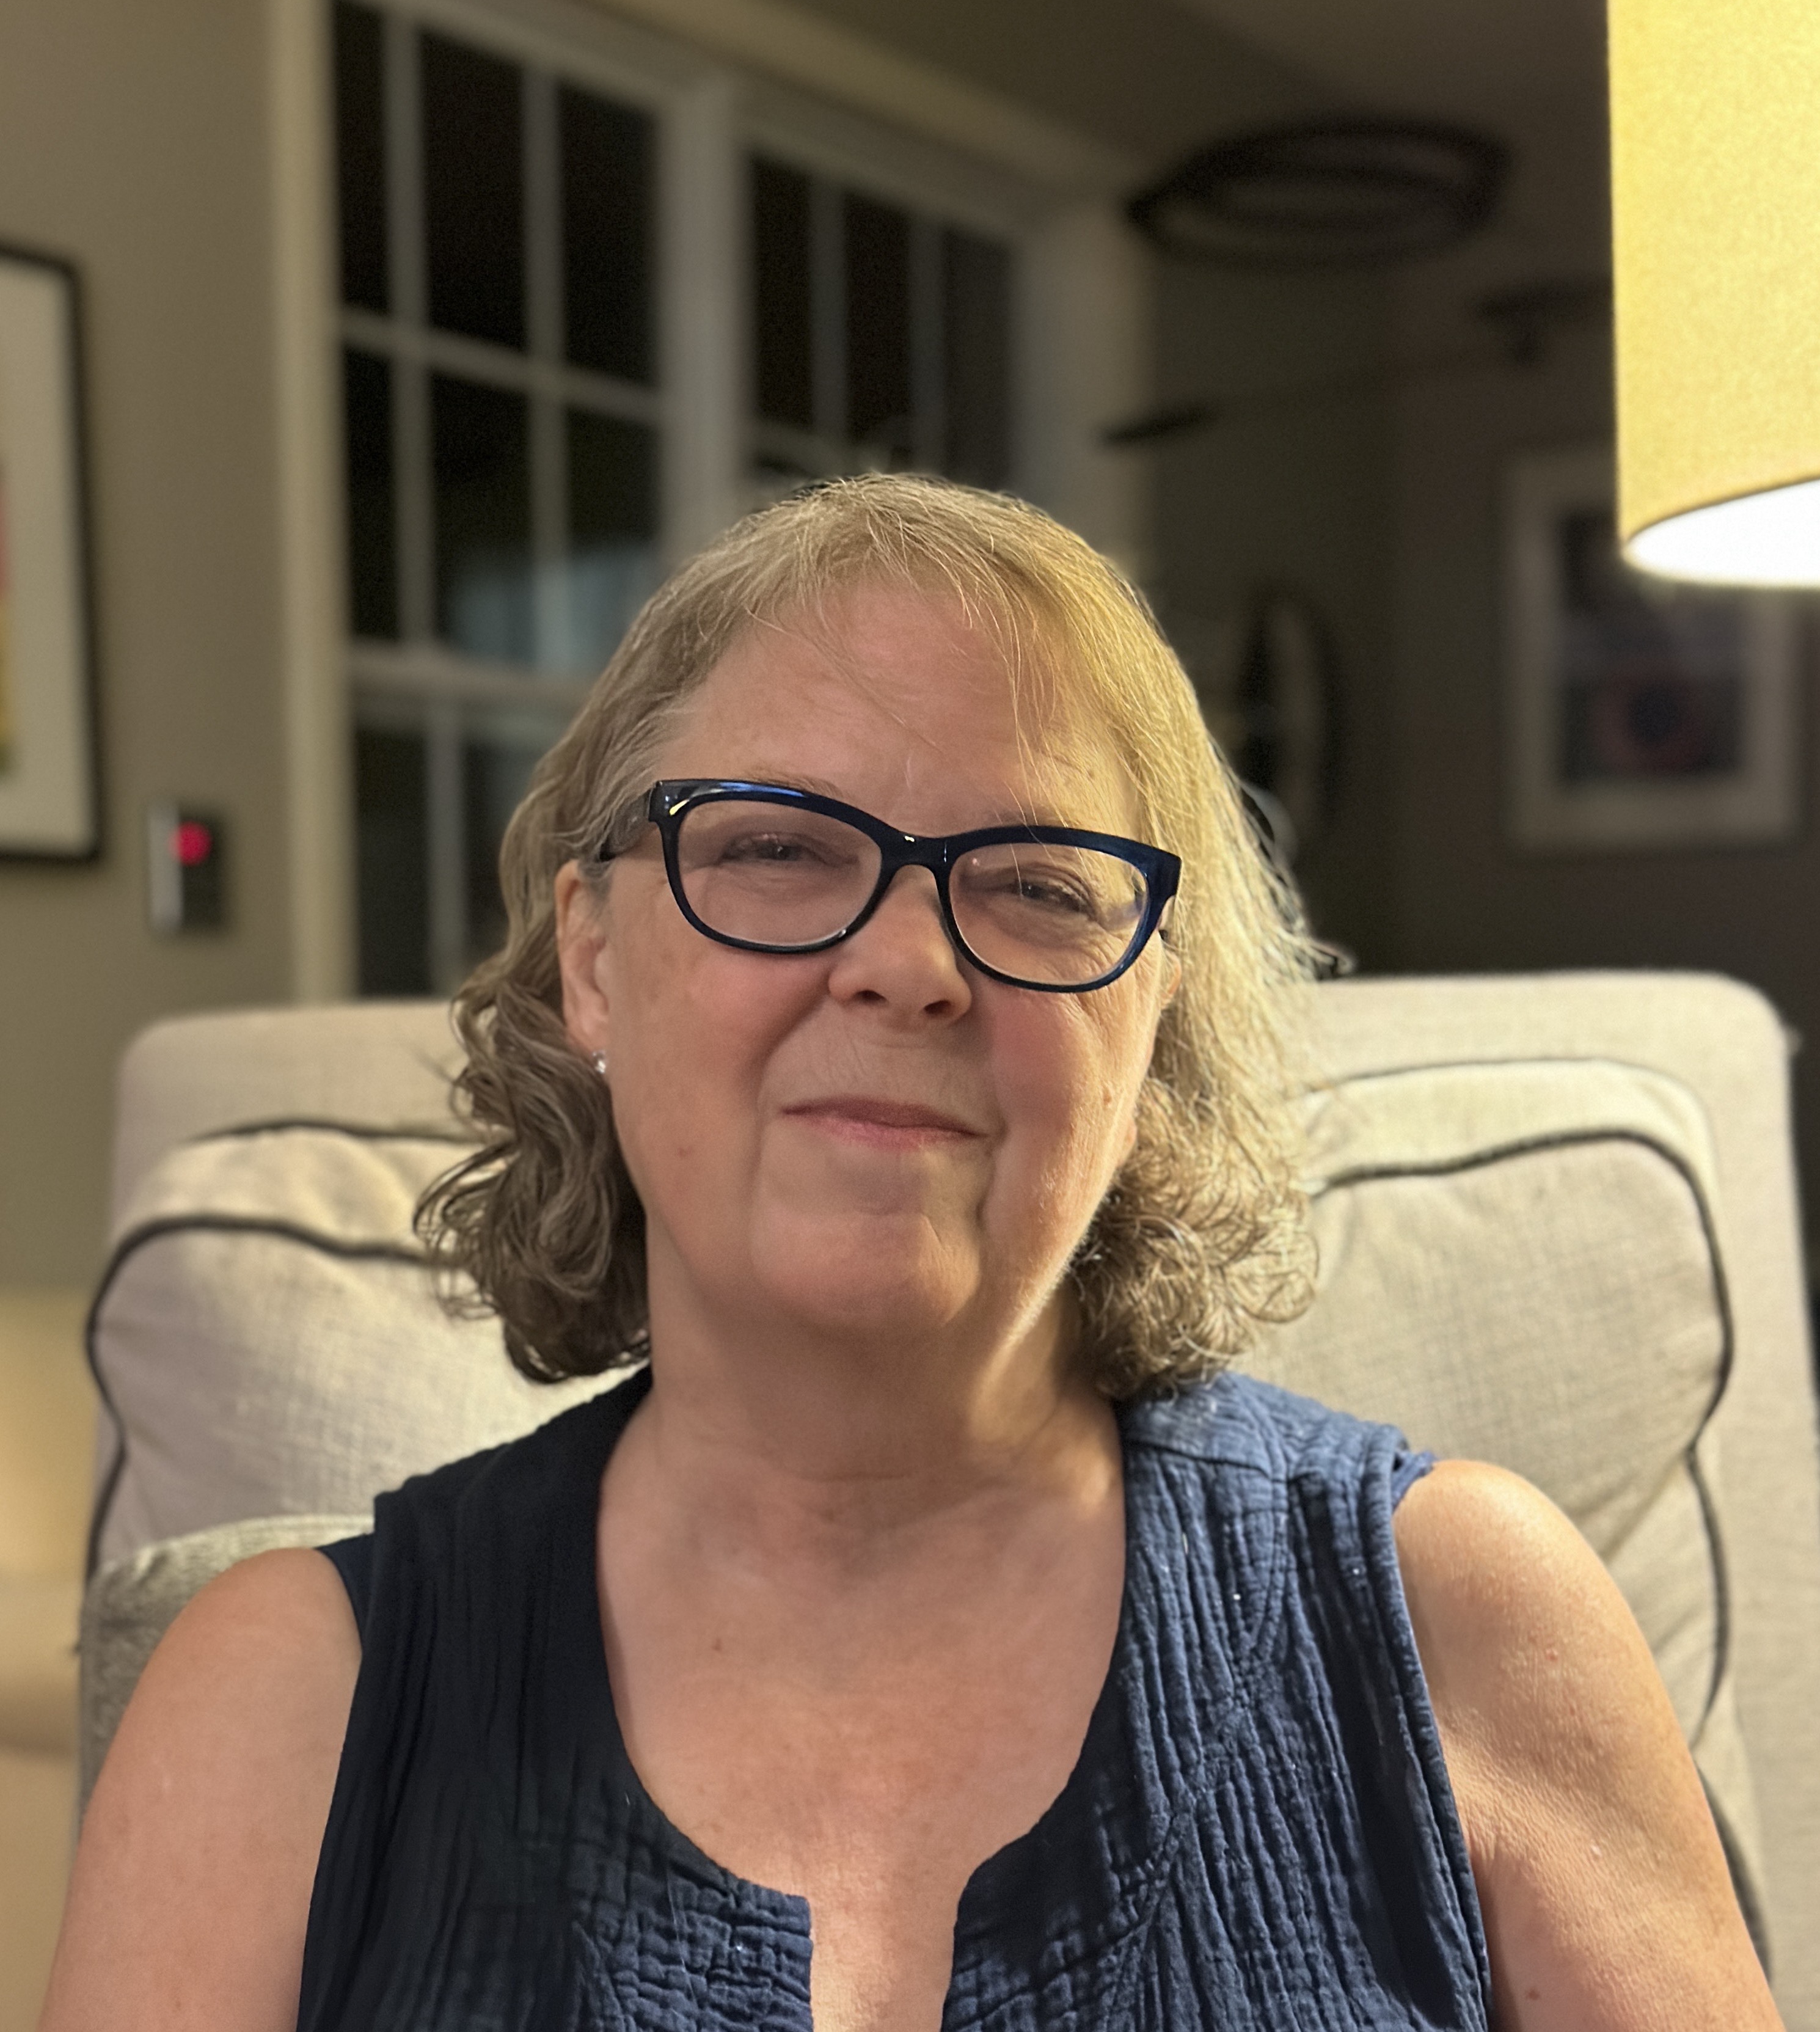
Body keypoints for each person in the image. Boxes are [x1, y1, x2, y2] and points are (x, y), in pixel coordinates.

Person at [43, 477, 1778, 2031]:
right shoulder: (282, 1699)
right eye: (775, 850)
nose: (906, 963)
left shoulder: (1455, 1611)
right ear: (591, 957)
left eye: (1033, 882)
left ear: (1150, 1000)